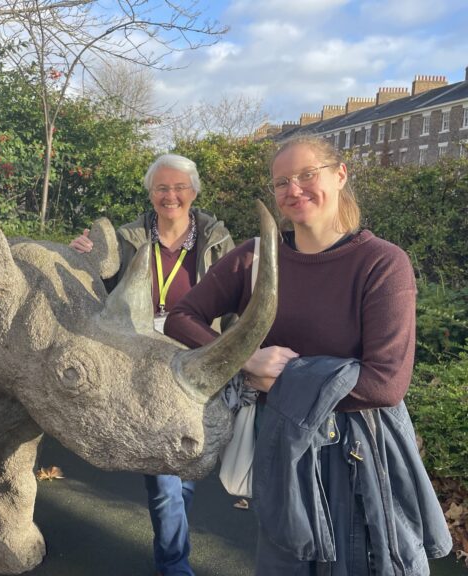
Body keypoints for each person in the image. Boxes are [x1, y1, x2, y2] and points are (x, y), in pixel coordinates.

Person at [165, 135, 452, 574]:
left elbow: (385, 383)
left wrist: (282, 377)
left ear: (340, 175)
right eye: (281, 182)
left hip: (356, 454)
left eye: (306, 175)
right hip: (281, 450)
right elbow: (181, 318)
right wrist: (246, 359)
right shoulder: (255, 258)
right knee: (285, 562)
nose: (293, 190)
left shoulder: (382, 263)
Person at [70, 153, 235, 576]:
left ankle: (172, 548)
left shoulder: (218, 241)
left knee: (187, 464)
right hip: (145, 363)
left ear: (194, 191)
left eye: (179, 187)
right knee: (165, 477)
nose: (170, 195)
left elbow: (235, 303)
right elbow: (103, 290)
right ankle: (174, 563)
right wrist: (83, 257)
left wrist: (237, 356)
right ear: (150, 193)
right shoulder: (128, 238)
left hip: (196, 362)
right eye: (161, 187)